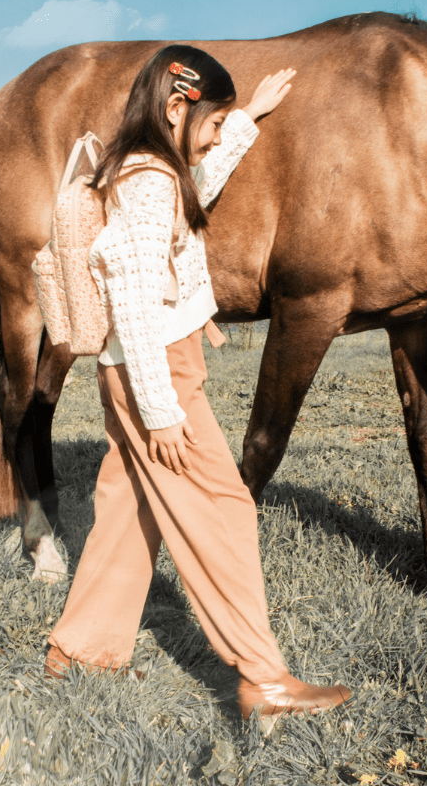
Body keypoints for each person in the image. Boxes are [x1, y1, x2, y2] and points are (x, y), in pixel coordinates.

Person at [44, 44, 351, 719]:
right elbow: (133, 299)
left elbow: (198, 189)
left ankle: (78, 648)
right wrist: (160, 409)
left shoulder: (150, 171)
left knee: (129, 507)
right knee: (225, 507)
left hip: (137, 366)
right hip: (157, 369)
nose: (212, 137)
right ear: (177, 107)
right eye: (211, 122)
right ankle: (264, 677)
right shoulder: (149, 181)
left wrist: (246, 119)